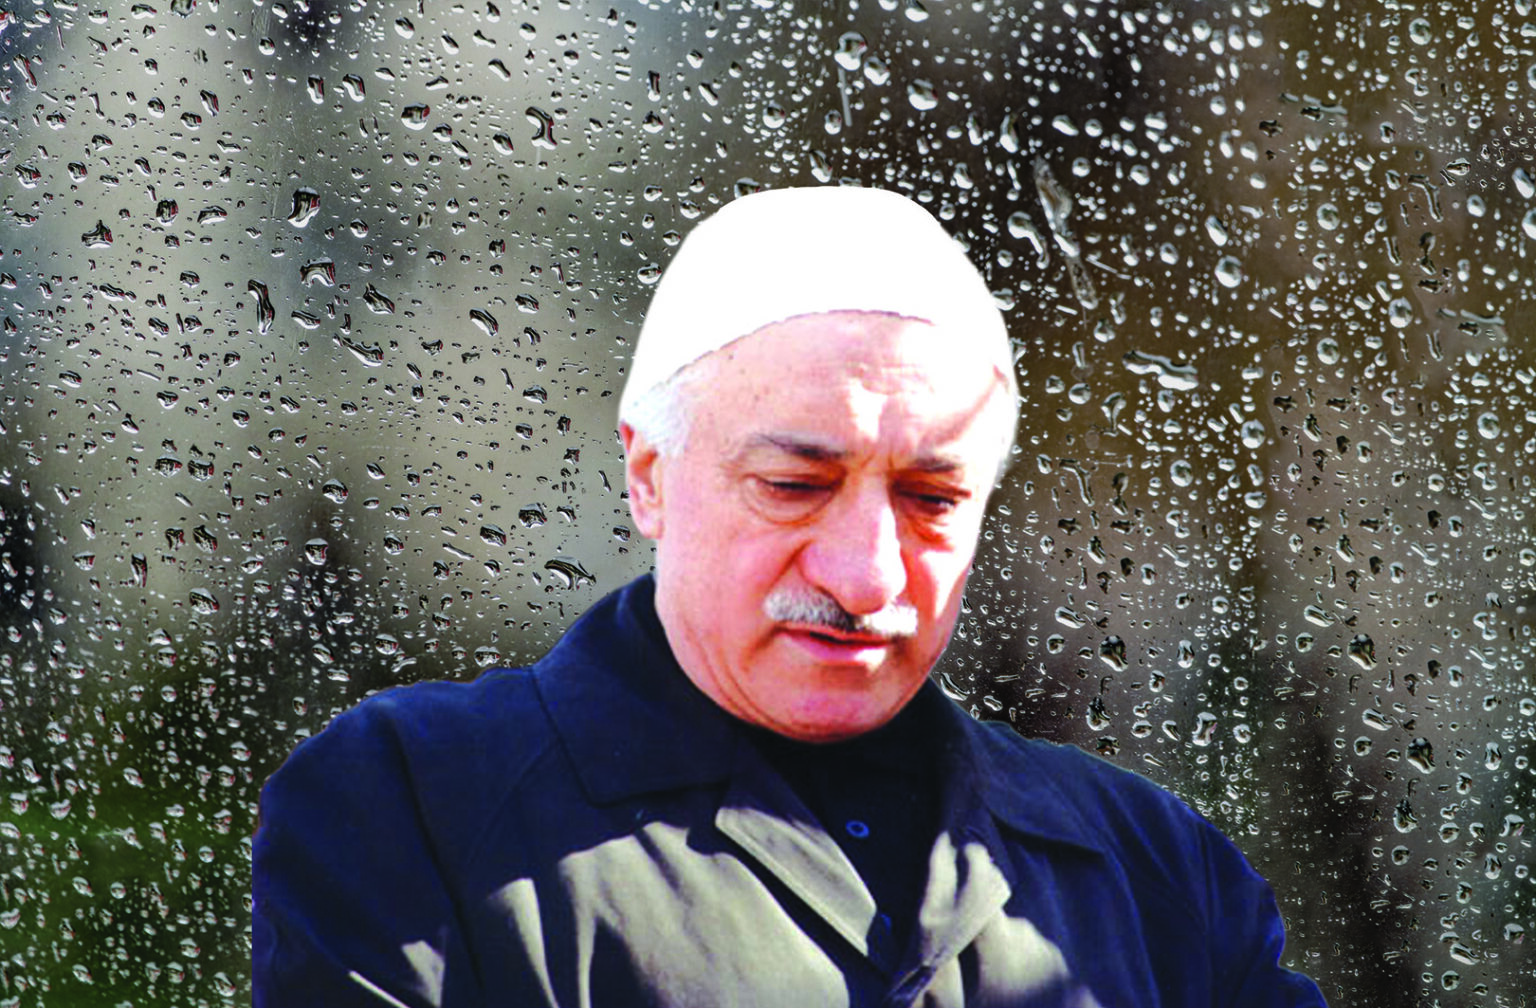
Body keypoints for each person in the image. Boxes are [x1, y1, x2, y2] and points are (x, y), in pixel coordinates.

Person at [252, 187, 1327, 1007]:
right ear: (648, 476)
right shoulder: (415, 805)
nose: (866, 576)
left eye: (931, 499)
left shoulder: (1159, 872)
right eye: (794, 485)